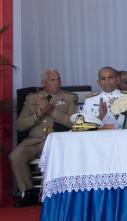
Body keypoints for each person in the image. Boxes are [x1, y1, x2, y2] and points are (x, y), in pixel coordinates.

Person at [11, 69, 78, 206]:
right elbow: (20, 125)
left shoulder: (69, 98)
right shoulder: (32, 98)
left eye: (58, 79)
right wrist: (38, 115)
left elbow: (74, 124)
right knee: (15, 156)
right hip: (34, 142)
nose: (57, 82)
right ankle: (29, 193)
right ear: (43, 83)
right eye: (52, 80)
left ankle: (52, 194)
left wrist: (53, 112)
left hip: (56, 142)